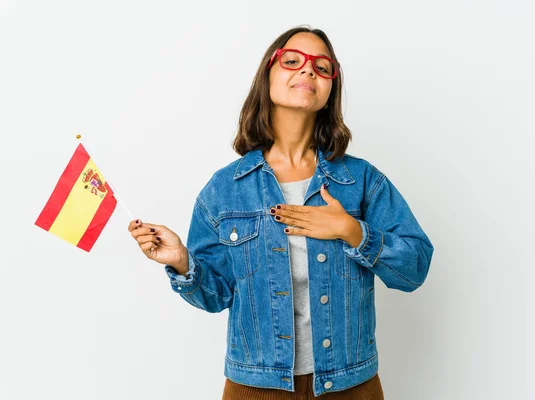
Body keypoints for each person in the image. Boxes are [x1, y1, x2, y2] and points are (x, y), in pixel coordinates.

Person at [128, 26, 434, 399]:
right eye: (292, 61)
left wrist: (354, 231)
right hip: (256, 388)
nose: (308, 71)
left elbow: (415, 267)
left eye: (322, 68)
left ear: (329, 90)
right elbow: (215, 296)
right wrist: (181, 262)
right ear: (267, 75)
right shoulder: (225, 189)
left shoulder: (361, 180)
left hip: (351, 385)